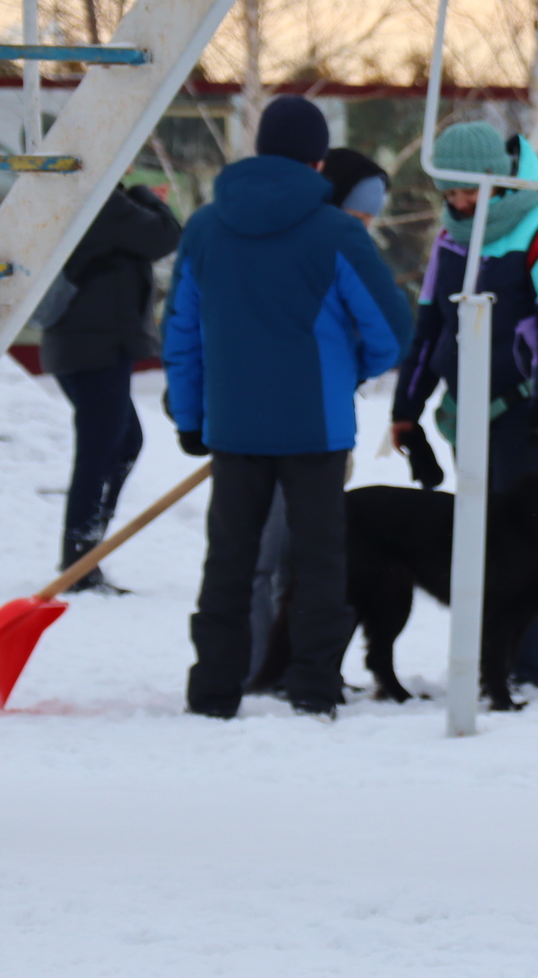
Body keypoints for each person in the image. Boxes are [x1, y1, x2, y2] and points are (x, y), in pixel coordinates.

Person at [163, 97, 412, 719]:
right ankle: (313, 688)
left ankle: (214, 691)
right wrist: (342, 373)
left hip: (234, 427)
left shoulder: (205, 228)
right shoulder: (335, 234)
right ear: (319, 160)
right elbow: (391, 331)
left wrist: (191, 419)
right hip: (316, 429)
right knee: (321, 563)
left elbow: (182, 336)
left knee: (229, 560)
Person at [390, 122, 538, 691]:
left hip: (526, 415)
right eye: (449, 192)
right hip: (466, 415)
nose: (457, 202)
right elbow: (431, 327)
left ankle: (525, 667)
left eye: (468, 191)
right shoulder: (451, 241)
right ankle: (489, 659)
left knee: (528, 541)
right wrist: (408, 406)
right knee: (481, 537)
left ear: (498, 182)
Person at [246, 147, 392, 693]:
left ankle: (299, 666)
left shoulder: (345, 253)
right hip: (261, 424)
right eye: (358, 216)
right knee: (260, 556)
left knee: (301, 561)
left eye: (371, 220)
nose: (364, 228)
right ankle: (256, 668)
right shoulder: (280, 246)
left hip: (324, 427)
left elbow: (373, 333)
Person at [40, 181, 182, 593]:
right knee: (102, 450)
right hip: (93, 345)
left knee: (122, 443)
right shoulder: (99, 197)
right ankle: (81, 560)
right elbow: (165, 236)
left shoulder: (86, 197)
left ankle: (87, 552)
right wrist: (148, 197)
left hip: (86, 343)